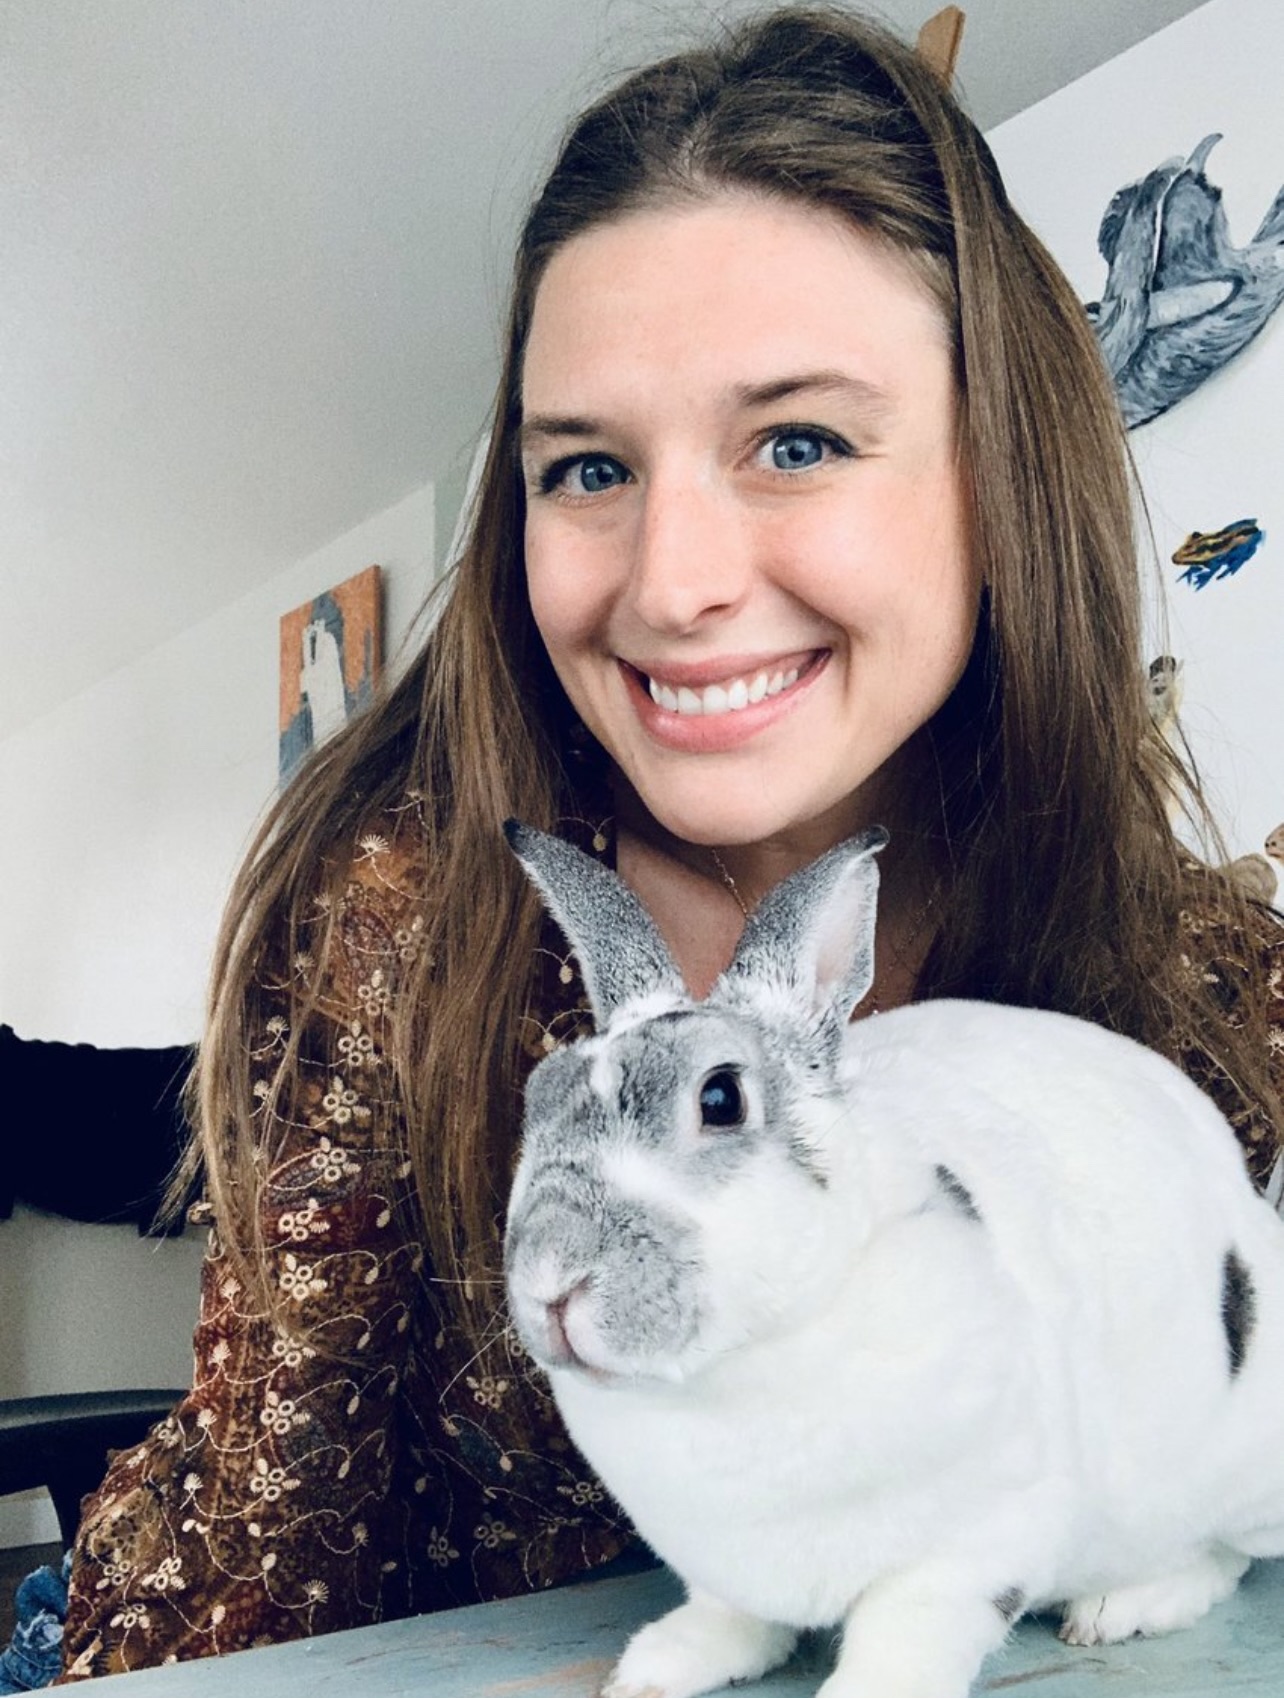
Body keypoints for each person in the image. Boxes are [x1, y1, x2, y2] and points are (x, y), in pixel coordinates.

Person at [55, 4, 1283, 1681]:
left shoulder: (1203, 984)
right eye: (587, 468)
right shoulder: (396, 923)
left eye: (799, 443)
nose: (672, 583)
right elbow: (263, 1573)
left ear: (1001, 473)